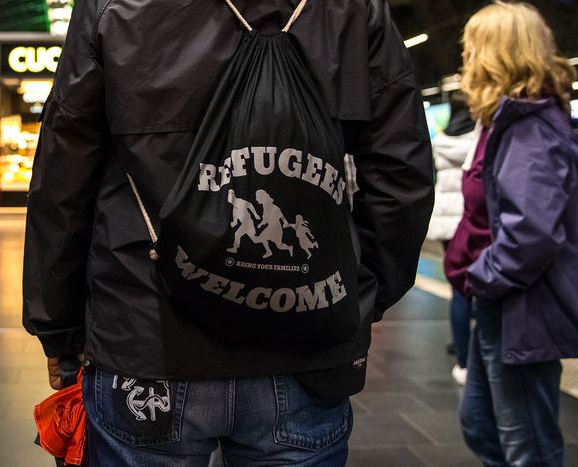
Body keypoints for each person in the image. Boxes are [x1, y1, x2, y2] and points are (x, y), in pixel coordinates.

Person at [22, 0, 434, 464]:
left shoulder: (112, 7)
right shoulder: (356, 9)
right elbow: (402, 175)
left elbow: (62, 177)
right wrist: (358, 298)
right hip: (304, 343)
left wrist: (57, 327)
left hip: (147, 336)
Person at [448, 3, 578, 465]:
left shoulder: (527, 130)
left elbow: (530, 235)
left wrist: (483, 277)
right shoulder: (506, 122)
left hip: (521, 306)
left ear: (495, 54)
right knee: (481, 425)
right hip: (503, 301)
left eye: (471, 46)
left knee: (529, 447)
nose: (463, 56)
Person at [427, 92, 477, 386]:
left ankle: (462, 355)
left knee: (458, 289)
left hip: (447, 222)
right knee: (480, 288)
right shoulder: (480, 137)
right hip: (473, 220)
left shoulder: (442, 140)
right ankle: (478, 355)